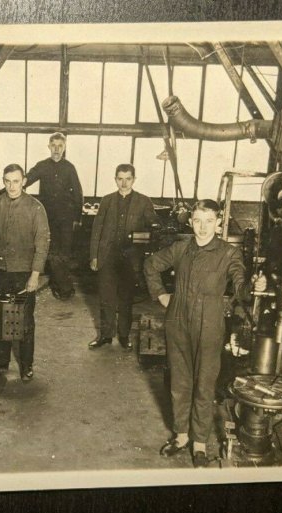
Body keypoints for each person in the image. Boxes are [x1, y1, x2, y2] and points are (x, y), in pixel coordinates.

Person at [143, 199, 266, 467]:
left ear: (219, 223)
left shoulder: (228, 253)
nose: (202, 227)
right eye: (197, 220)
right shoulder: (181, 247)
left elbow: (241, 288)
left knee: (204, 385)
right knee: (179, 382)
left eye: (209, 221)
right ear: (190, 222)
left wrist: (255, 286)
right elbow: (151, 265)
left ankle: (199, 442)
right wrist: (161, 295)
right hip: (178, 322)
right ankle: (181, 436)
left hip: (209, 325)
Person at [0, 164, 50, 381]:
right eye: (7, 181)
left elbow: (42, 244)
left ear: (24, 181)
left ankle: (26, 366)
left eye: (16, 181)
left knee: (24, 321)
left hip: (24, 272)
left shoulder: (36, 208)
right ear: (3, 181)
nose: (12, 186)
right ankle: (0, 361)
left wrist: (35, 275)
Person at [88, 163, 159, 350]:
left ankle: (124, 335)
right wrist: (94, 256)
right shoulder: (106, 200)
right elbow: (96, 229)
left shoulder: (144, 201)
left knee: (126, 299)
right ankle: (105, 335)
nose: (124, 183)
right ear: (115, 179)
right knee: (106, 298)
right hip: (107, 257)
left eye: (128, 179)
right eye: (120, 178)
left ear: (134, 180)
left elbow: (154, 227)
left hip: (131, 258)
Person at [24, 132, 83, 300]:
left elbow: (78, 193)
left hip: (65, 219)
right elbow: (26, 180)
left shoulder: (69, 168)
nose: (57, 149)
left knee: (63, 253)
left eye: (60, 146)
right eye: (54, 146)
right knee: (48, 251)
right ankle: (63, 287)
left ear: (64, 148)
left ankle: (62, 286)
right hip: (46, 218)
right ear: (49, 147)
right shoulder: (42, 166)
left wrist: (77, 218)